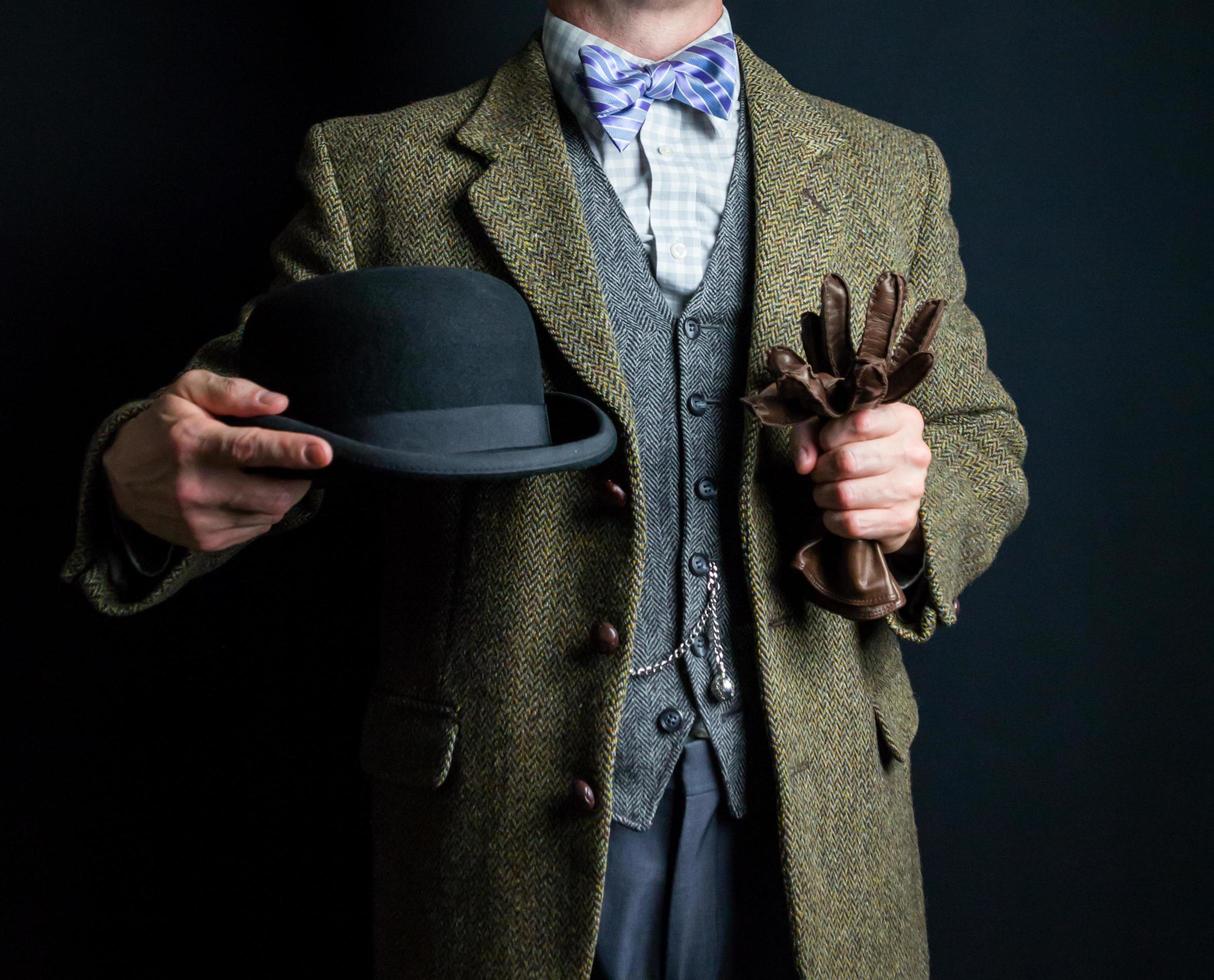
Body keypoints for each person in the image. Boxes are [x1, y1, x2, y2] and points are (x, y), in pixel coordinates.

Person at [59, 1, 1030, 977]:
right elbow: (247, 419)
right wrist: (138, 477)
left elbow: (978, 438)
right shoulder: (376, 168)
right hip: (501, 818)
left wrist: (917, 489)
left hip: (815, 814)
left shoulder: (889, 169)